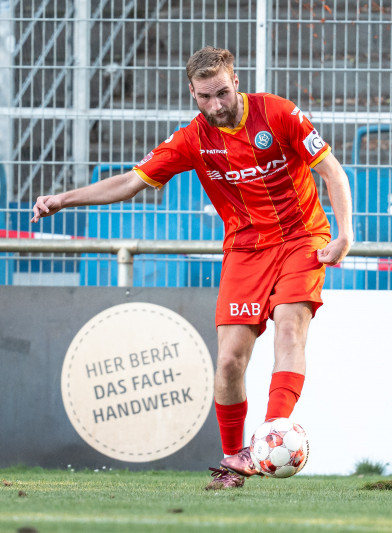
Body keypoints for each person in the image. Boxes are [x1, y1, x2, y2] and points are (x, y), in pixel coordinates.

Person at [31, 46, 354, 489]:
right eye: (205, 97)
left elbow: (332, 172)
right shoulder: (192, 139)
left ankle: (270, 436)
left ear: (236, 82)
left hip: (302, 238)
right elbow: (129, 182)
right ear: (192, 93)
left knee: (289, 327)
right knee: (229, 362)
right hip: (245, 249)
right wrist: (62, 200)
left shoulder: (278, 114)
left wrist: (344, 233)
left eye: (222, 93)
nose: (216, 105)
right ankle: (234, 461)